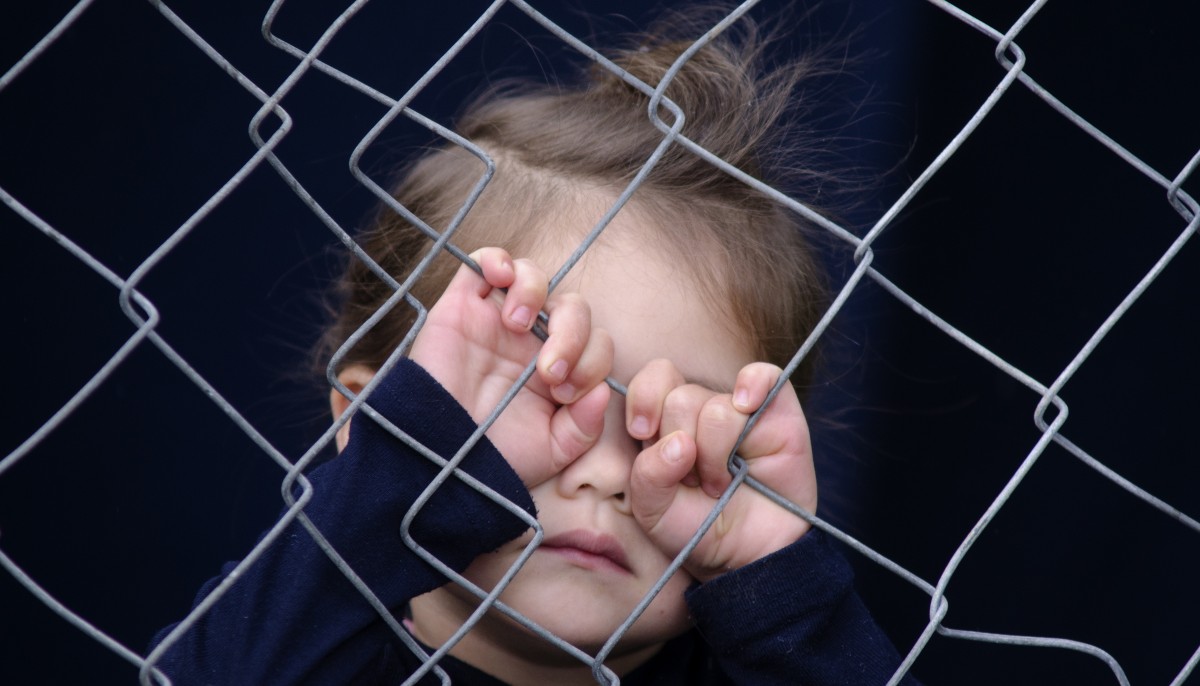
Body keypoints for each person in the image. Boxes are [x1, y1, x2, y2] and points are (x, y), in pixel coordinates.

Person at [151, 8, 919, 685]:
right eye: (543, 396)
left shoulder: (771, 668)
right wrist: (409, 471)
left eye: (680, 434)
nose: (613, 478)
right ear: (367, 420)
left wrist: (780, 591)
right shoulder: (300, 653)